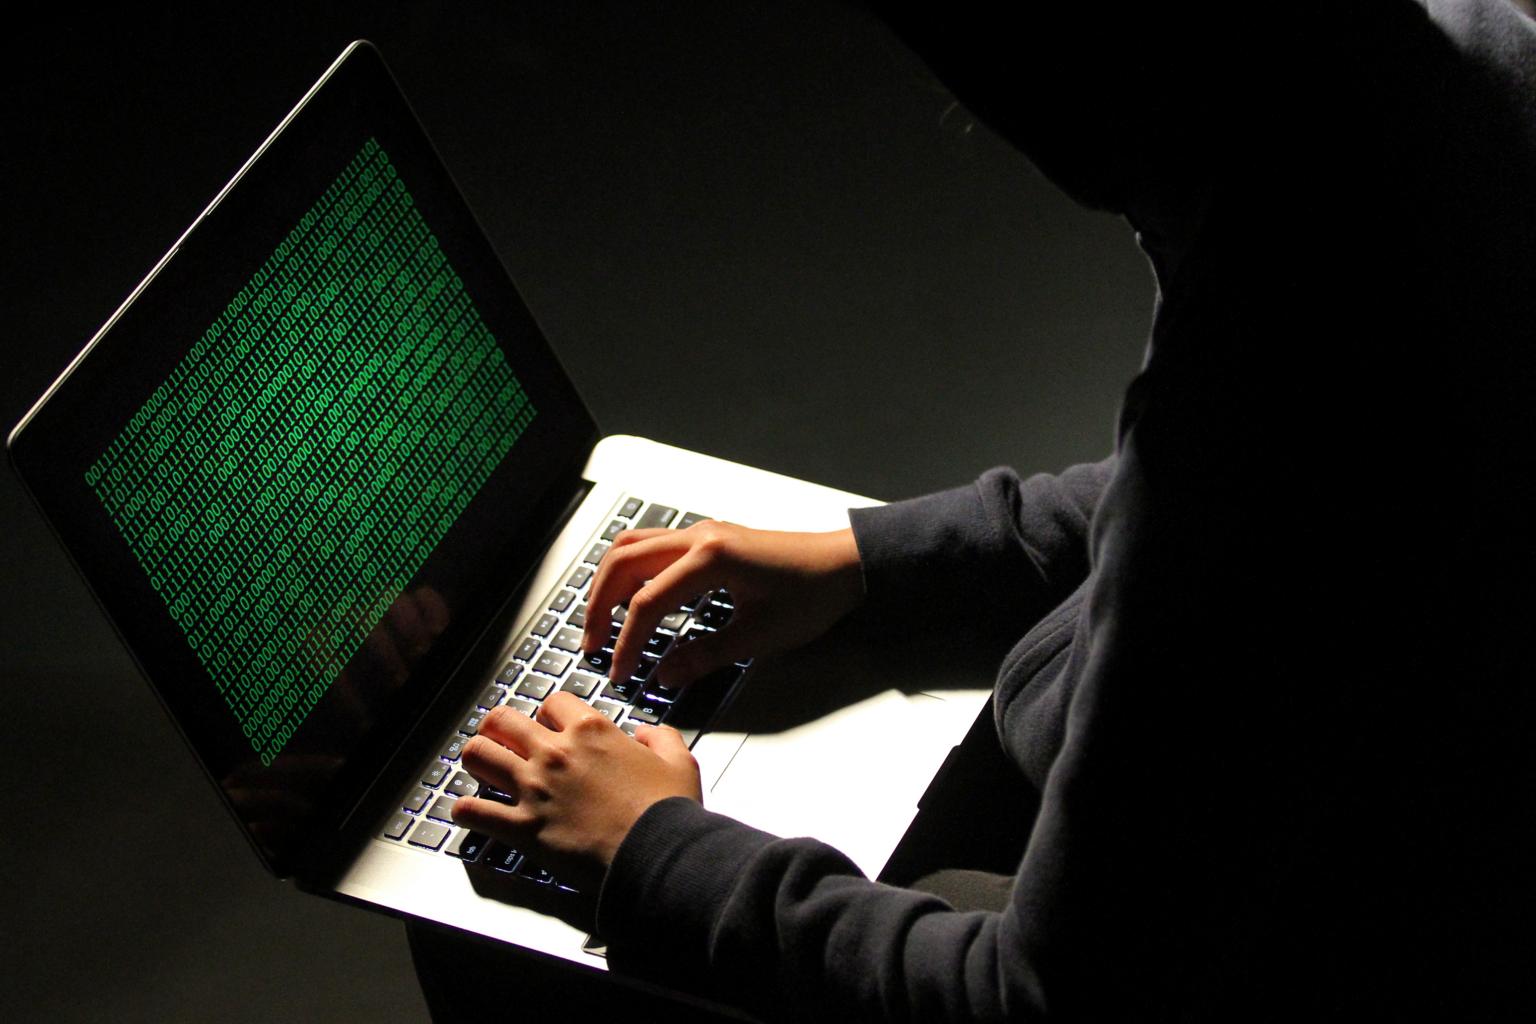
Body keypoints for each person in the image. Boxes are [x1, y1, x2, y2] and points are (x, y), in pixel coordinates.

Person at [419, 1, 1536, 1018]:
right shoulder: (1449, 78)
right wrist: (874, 559)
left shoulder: (1285, 362)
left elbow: (1037, 1003)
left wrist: (652, 850)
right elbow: (1247, 514)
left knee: (489, 945)